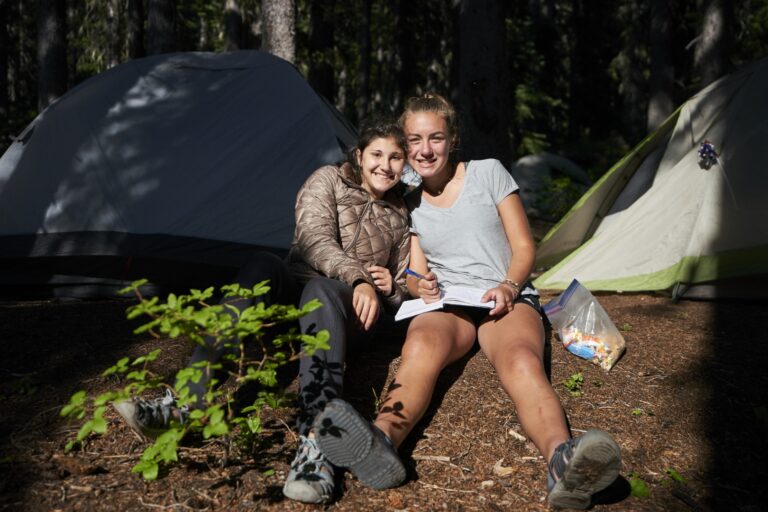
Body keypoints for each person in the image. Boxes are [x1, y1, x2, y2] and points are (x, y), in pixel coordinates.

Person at [312, 94, 622, 509]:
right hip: (449, 305)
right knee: (420, 347)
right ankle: (381, 439)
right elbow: (416, 268)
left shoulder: (488, 173)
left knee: (520, 361)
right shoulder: (410, 197)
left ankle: (562, 461)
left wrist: (511, 285)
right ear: (406, 146)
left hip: (504, 298)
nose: (425, 149)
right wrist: (419, 285)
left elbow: (524, 247)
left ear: (452, 138)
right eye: (415, 140)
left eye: (435, 138)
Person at [113, 117, 412, 504]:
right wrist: (359, 277)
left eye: (395, 157)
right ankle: (186, 402)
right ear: (359, 155)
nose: (385, 165)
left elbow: (405, 287)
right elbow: (312, 238)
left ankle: (314, 446)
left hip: (345, 314)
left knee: (322, 289)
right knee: (261, 265)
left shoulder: (401, 214)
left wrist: (390, 290)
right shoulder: (328, 180)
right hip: (299, 293)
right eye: (377, 154)